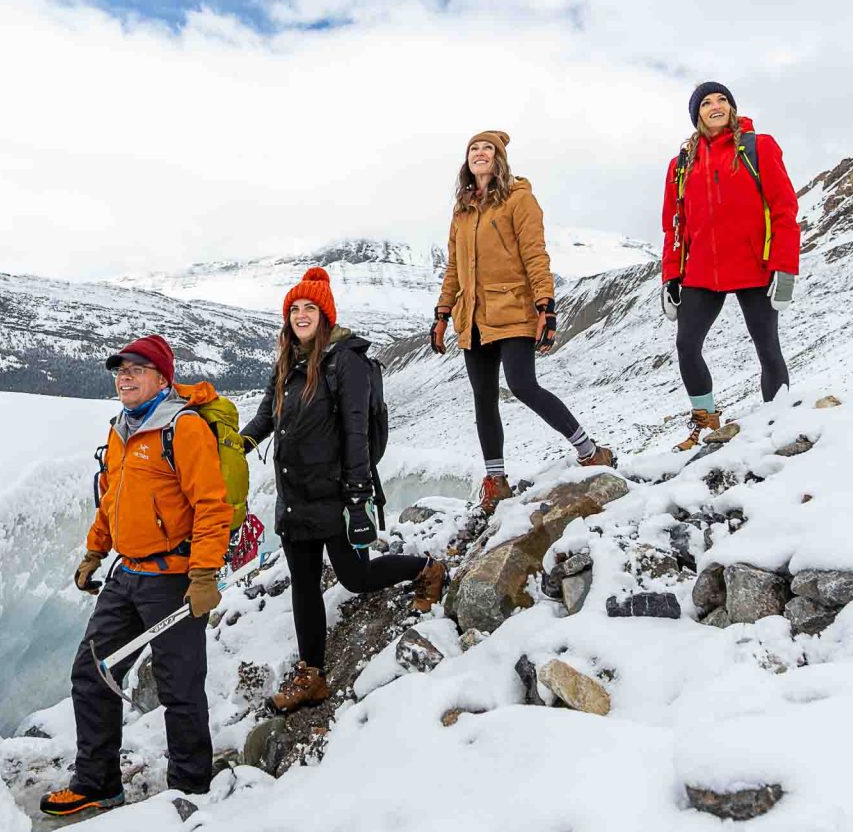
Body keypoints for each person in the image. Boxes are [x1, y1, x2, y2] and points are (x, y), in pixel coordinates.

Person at [241, 268, 447, 714]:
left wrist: (357, 500)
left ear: (325, 314)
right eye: (294, 309)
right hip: (294, 496)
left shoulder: (344, 362)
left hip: (336, 494)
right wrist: (234, 445)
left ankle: (427, 568)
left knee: (354, 577)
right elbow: (265, 419)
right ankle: (311, 675)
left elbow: (356, 433)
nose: (300, 316)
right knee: (304, 586)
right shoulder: (287, 364)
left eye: (308, 308)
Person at [43, 334, 233, 818]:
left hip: (172, 578)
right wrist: (94, 551)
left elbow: (212, 506)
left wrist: (205, 573)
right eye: (119, 369)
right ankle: (98, 783)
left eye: (136, 369)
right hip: (125, 574)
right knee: (92, 674)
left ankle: (190, 794)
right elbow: (111, 500)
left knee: (180, 688)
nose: (123, 377)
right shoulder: (120, 429)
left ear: (162, 378)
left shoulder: (182, 429)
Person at [431, 130, 616, 514]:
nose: (480, 154)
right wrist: (442, 313)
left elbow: (535, 254)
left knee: (522, 384)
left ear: (498, 159)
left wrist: (546, 307)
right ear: (466, 162)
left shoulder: (519, 199)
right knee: (483, 398)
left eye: (487, 149)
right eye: (473, 149)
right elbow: (453, 268)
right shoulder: (462, 210)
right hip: (474, 318)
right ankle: (496, 482)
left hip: (514, 309)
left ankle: (589, 451)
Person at [659, 82, 801, 451]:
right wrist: (671, 276)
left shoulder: (758, 147)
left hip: (755, 268)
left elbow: (783, 208)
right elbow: (674, 224)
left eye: (722, 100)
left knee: (767, 347)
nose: (716, 106)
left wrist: (784, 267)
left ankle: (777, 421)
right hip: (702, 273)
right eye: (706, 102)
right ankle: (705, 422)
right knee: (687, 346)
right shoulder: (680, 165)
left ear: (733, 108)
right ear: (697, 115)